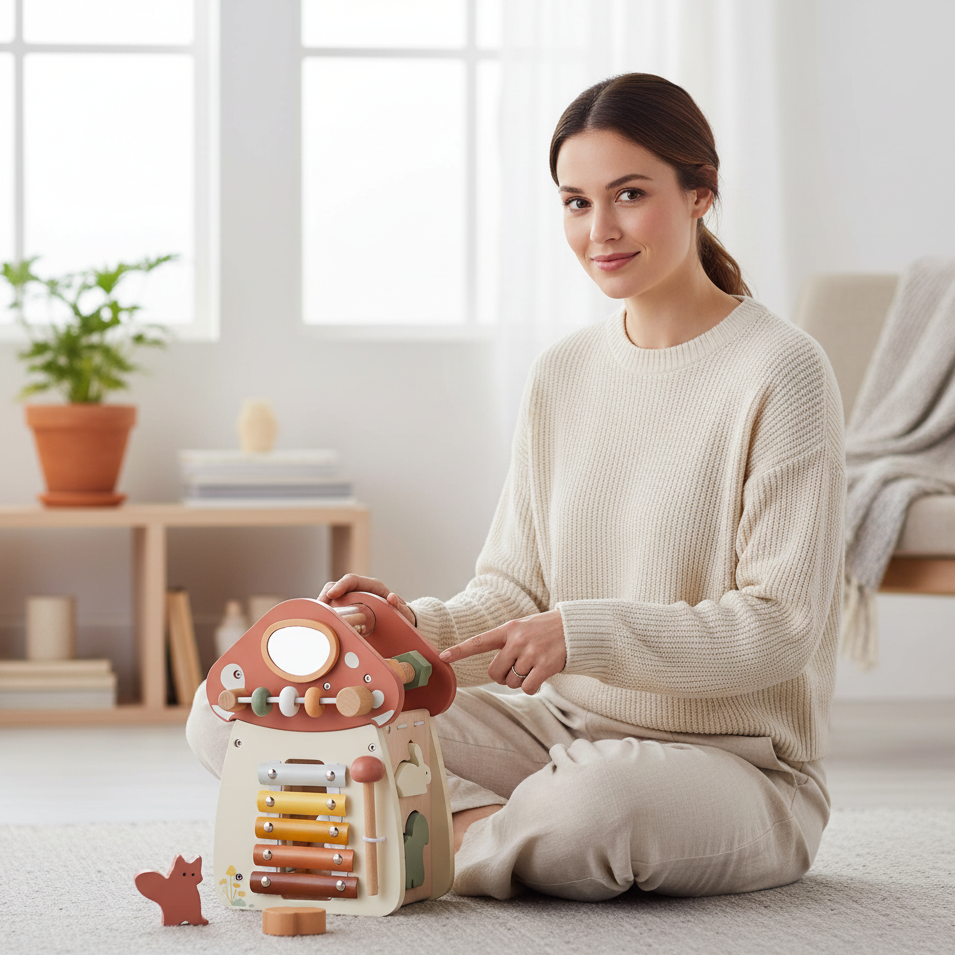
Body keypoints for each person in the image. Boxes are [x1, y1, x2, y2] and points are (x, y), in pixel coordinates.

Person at [188, 73, 844, 902]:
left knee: (592, 809)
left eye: (629, 194)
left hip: (731, 766)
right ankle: (473, 829)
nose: (598, 230)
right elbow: (512, 590)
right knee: (234, 707)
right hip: (553, 731)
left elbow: (780, 626)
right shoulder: (563, 372)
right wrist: (397, 630)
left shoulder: (781, 370)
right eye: (575, 202)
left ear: (700, 193)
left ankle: (426, 833)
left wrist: (582, 633)